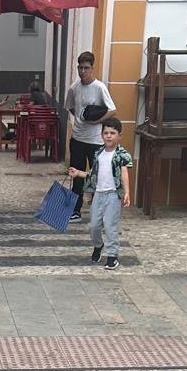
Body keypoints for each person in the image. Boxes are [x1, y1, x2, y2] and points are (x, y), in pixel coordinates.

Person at [68, 115, 131, 271]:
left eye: (112, 133)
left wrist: (127, 192)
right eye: (106, 133)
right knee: (94, 226)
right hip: (98, 194)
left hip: (113, 195)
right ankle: (98, 245)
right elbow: (93, 174)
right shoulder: (98, 154)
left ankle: (112, 256)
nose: (109, 136)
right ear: (101, 135)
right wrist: (78, 173)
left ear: (119, 135)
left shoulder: (121, 154)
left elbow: (124, 173)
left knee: (110, 226)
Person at [65, 50, 115, 221]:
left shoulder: (99, 87)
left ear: (92, 68)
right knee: (76, 176)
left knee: (98, 176)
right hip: (77, 138)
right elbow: (70, 106)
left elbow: (112, 110)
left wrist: (97, 121)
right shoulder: (74, 88)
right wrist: (80, 117)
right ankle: (75, 210)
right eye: (80, 67)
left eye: (86, 68)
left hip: (95, 140)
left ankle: (100, 212)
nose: (82, 71)